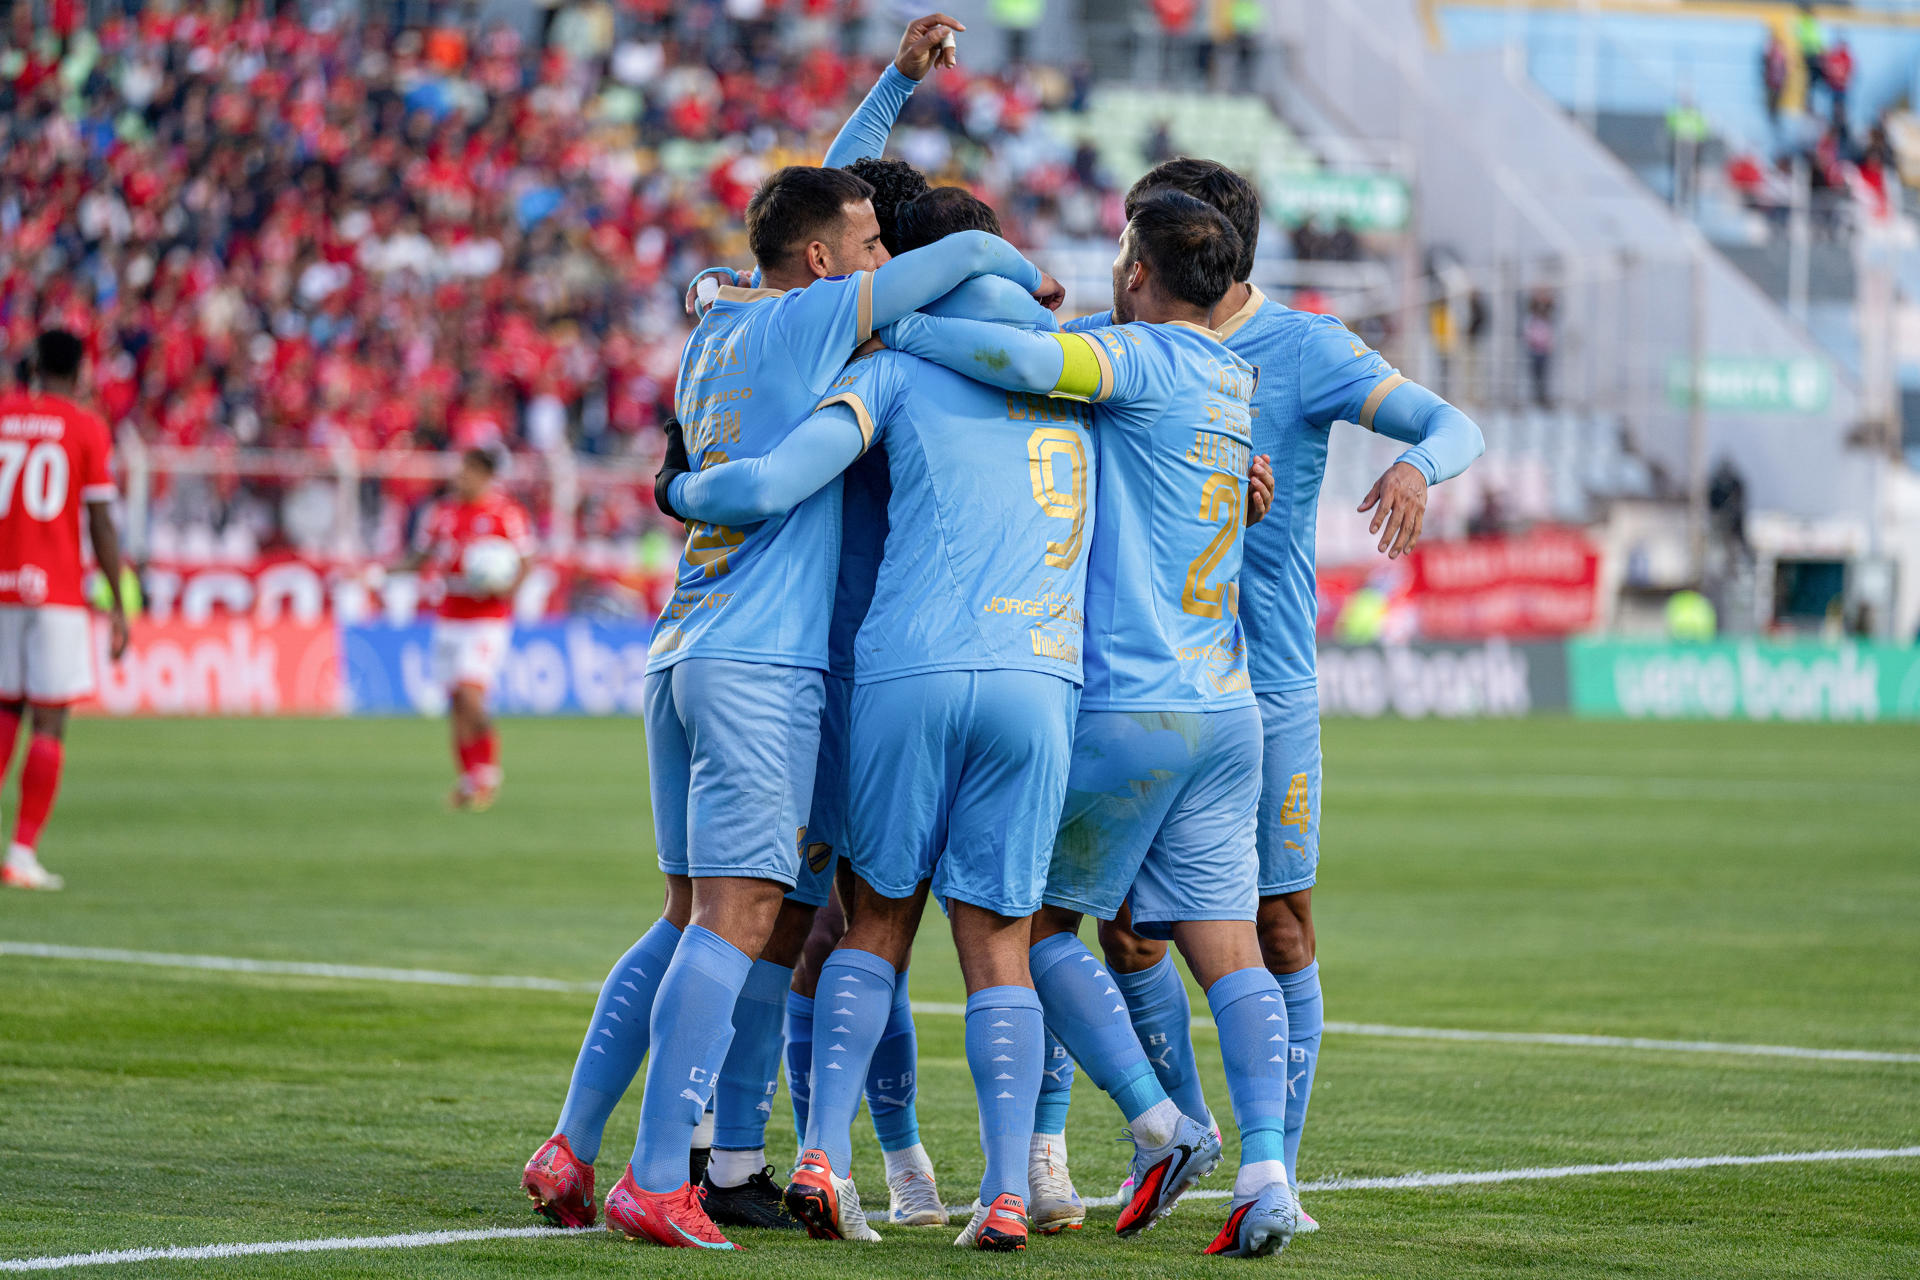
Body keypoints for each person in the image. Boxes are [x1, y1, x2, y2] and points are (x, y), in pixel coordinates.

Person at [524, 161, 1060, 1255]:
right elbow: (930, 257)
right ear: (827, 262)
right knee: (762, 923)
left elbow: (800, 198)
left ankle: (591, 1145)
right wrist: (1031, 281)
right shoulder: (859, 345)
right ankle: (671, 1170)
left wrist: (676, 488)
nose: (876, 263)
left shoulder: (721, 319)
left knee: (700, 915)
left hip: (687, 641)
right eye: (866, 250)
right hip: (786, 668)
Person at [1030, 158, 1484, 1238]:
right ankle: (1158, 1137)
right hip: (1129, 678)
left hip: (1263, 685)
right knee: (1125, 933)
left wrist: (1420, 467)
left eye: (1134, 243)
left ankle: (1278, 1165)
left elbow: (1450, 423)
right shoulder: (1123, 342)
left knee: (1277, 925)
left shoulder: (1308, 348)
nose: (1121, 265)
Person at [878, 190, 1304, 1257]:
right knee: (1231, 946)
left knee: (1033, 929)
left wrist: (900, 326)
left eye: (1123, 252)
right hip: (1226, 704)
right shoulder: (1232, 375)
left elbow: (1028, 368)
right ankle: (1266, 1171)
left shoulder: (1144, 355)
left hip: (1129, 698)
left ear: (1138, 270)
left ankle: (1159, 1120)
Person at [671, 186, 1096, 1251]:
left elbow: (771, 479)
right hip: (1040, 672)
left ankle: (823, 1152)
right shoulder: (1084, 372)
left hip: (900, 668)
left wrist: (681, 487)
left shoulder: (891, 359)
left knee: (870, 925)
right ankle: (1014, 1184)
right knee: (1002, 939)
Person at [0, 329, 131, 891]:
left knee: (4, 710)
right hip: (54, 594)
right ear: (79, 372)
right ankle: (23, 852)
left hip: (2, 586)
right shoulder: (85, 426)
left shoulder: (3, 415)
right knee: (49, 720)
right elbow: (100, 520)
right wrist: (119, 602)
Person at [402, 448, 531, 812]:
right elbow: (421, 556)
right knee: (457, 703)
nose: (461, 478)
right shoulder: (440, 512)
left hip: (488, 619)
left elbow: (526, 561)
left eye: (468, 472)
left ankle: (487, 775)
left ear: (486, 475)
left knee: (472, 694)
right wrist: (382, 573)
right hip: (450, 616)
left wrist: (507, 589)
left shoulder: (506, 513)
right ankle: (468, 780)